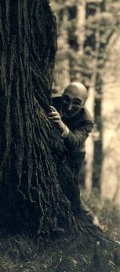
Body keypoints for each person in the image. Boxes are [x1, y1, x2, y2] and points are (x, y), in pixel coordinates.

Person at [48, 82, 101, 227]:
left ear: (84, 103)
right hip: (54, 149)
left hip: (74, 156)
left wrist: (61, 124)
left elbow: (75, 142)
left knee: (70, 190)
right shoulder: (53, 101)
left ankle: (92, 221)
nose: (69, 107)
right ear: (62, 95)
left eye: (76, 103)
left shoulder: (87, 120)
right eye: (66, 99)